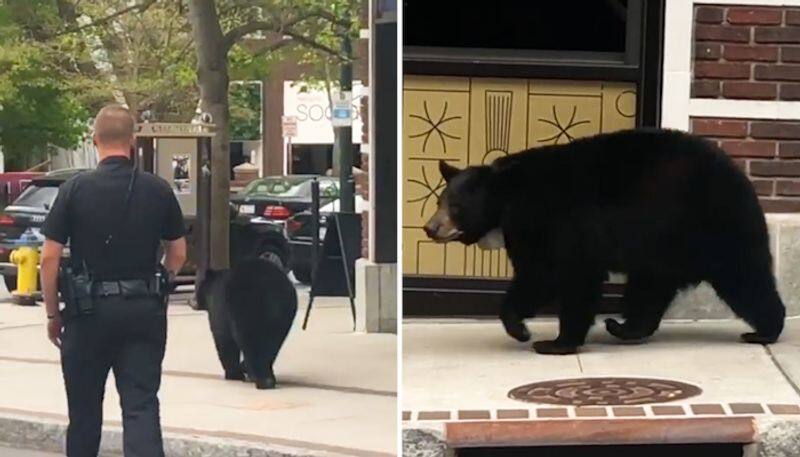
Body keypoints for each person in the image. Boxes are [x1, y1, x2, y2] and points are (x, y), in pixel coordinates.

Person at [40, 104, 187, 456]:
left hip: (86, 313)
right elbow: (179, 252)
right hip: (142, 310)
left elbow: (48, 257)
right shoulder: (158, 189)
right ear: (132, 142)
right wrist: (160, 282)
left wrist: (52, 314)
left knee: (85, 411)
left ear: (95, 141)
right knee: (141, 407)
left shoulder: (74, 189)